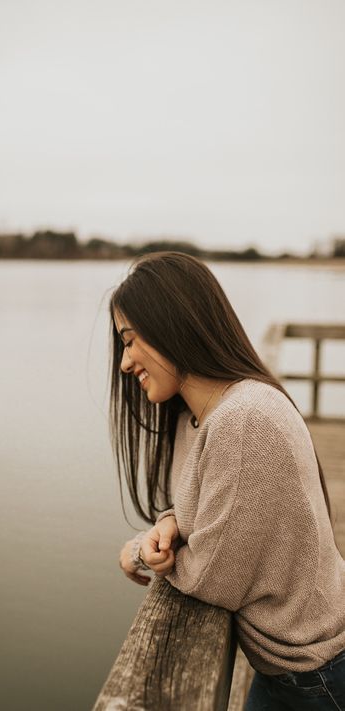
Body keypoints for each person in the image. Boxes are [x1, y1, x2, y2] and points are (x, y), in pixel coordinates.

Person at [110, 251, 345, 710]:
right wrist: (172, 522)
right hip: (286, 669)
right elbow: (208, 501)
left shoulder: (245, 419)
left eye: (131, 340)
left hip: (318, 676)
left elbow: (215, 577)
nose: (124, 361)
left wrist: (139, 551)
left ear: (172, 324)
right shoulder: (195, 417)